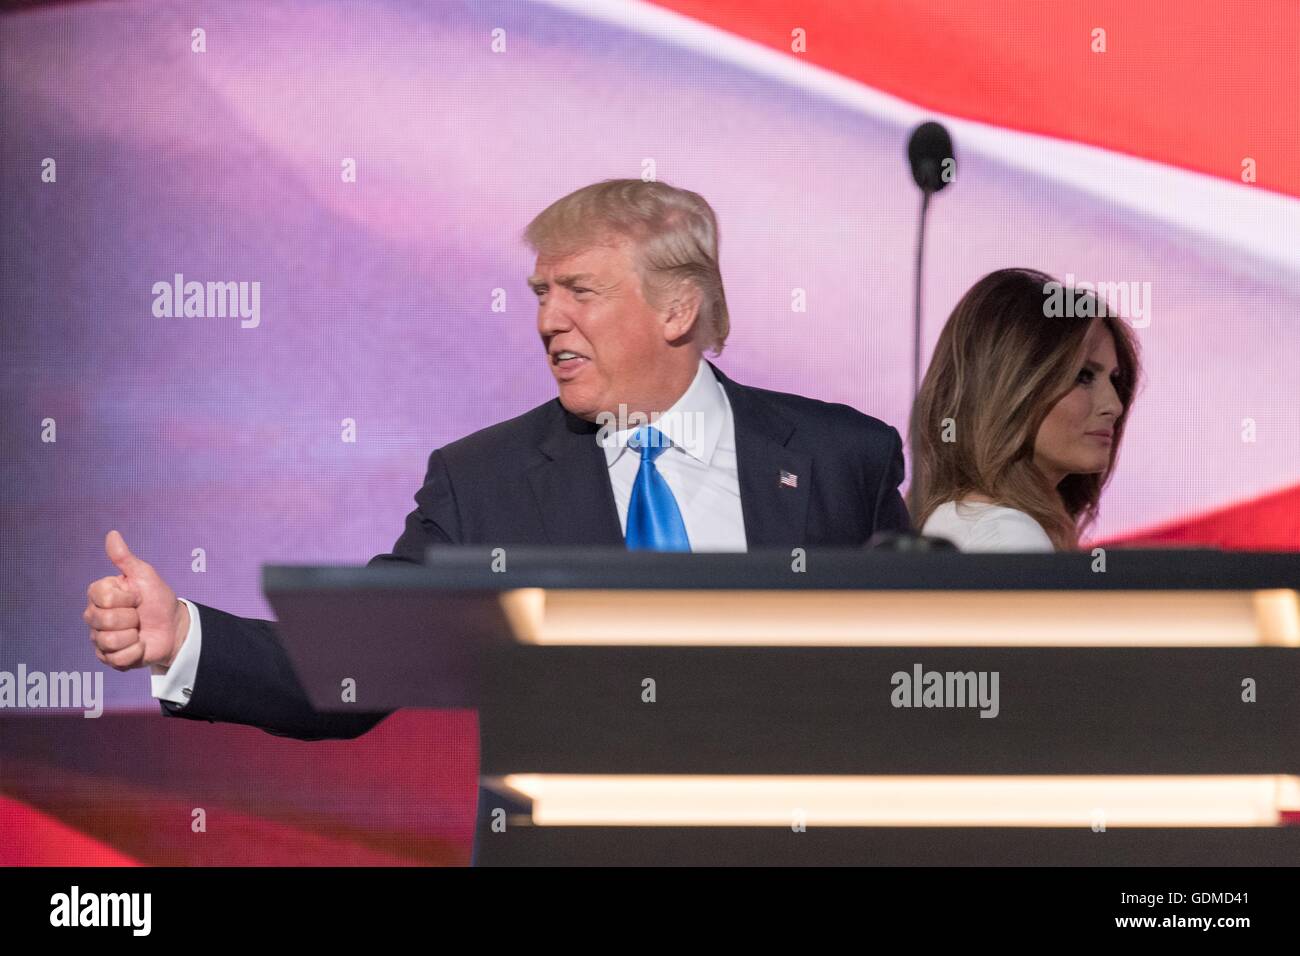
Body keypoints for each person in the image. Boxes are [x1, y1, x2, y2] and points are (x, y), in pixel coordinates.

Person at [83, 178, 911, 740]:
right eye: (540, 295)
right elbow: (358, 663)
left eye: (580, 291)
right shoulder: (486, 484)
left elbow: (916, 671)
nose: (549, 321)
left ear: (677, 307)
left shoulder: (845, 460)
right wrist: (182, 636)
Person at [913, 267, 1141, 551]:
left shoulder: (966, 519)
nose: (1114, 406)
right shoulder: (1007, 535)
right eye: (1083, 376)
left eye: (1114, 380)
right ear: (1008, 389)